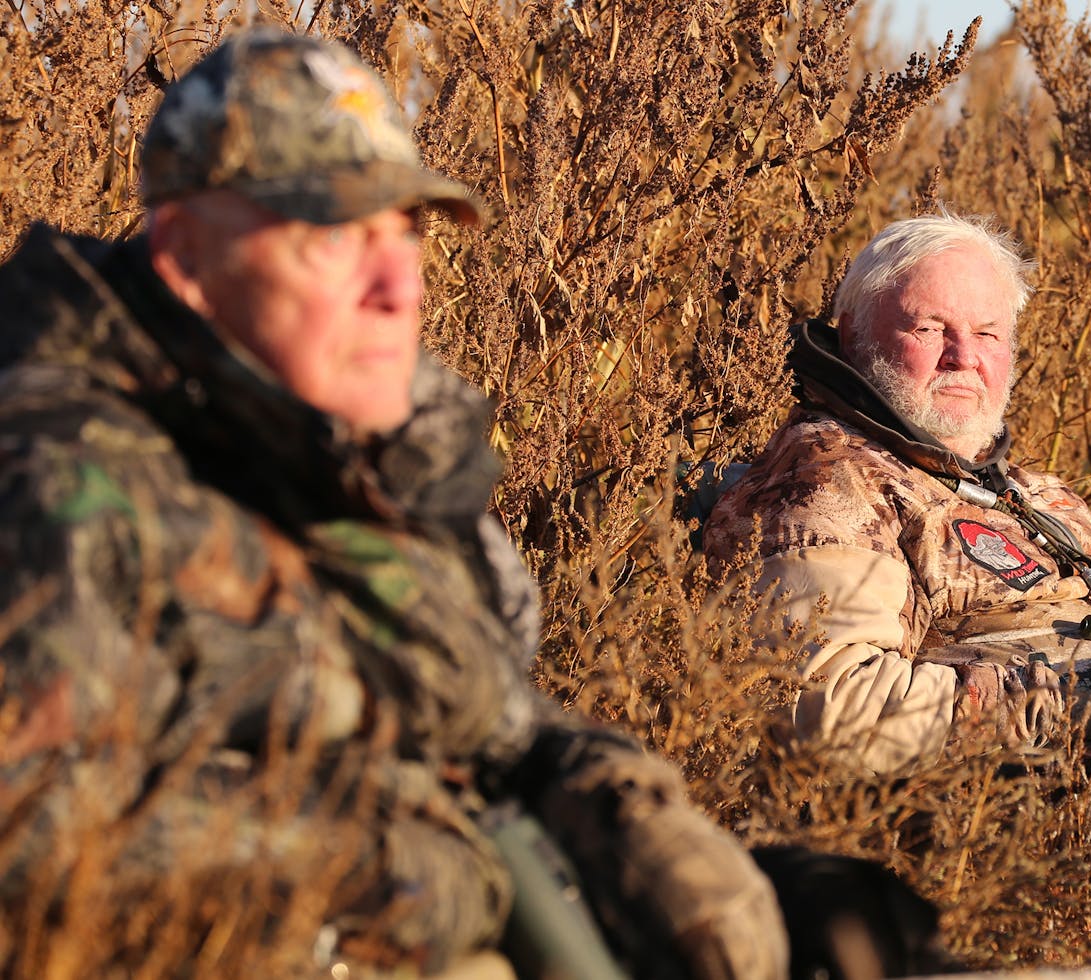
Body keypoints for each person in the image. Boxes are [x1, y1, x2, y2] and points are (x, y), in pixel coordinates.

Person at [0, 29, 790, 979]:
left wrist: (620, 806)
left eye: (403, 232)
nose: (396, 288)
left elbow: (480, 712)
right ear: (184, 255)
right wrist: (414, 863)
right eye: (334, 235)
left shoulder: (332, 449)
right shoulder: (55, 476)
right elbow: (30, 827)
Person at [702, 212, 1091, 774]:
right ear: (851, 334)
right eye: (929, 329)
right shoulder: (830, 479)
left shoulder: (1034, 493)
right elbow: (832, 707)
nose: (964, 357)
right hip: (1011, 815)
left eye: (987, 334)